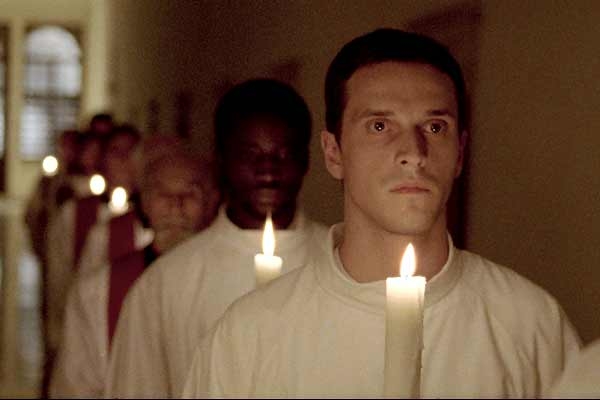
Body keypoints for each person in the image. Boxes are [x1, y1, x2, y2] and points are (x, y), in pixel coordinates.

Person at [183, 29, 581, 398]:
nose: (413, 153)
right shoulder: (248, 336)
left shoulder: (531, 324)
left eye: (435, 126)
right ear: (333, 153)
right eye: (379, 126)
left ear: (460, 153)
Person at [105, 79, 328, 398]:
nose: (268, 170)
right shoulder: (167, 281)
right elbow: (137, 388)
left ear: (306, 159)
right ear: (221, 159)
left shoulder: (341, 261)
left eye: (284, 153)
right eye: (250, 154)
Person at [48, 147, 220, 398]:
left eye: (190, 193)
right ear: (144, 202)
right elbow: (75, 387)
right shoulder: (99, 290)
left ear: (212, 202)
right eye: (162, 193)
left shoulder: (225, 280)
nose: (175, 205)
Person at [43, 124, 142, 389]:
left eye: (131, 151)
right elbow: (60, 278)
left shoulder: (153, 224)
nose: (124, 159)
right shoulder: (76, 214)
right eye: (116, 151)